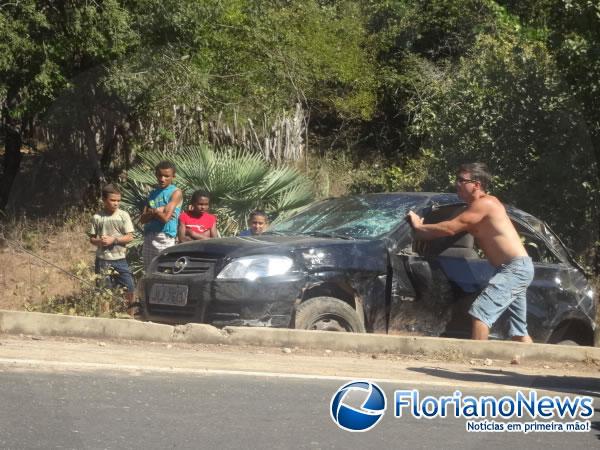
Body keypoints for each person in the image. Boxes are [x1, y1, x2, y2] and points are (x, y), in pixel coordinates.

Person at [407, 162, 533, 343]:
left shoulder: (486, 204)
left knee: (480, 313)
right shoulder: (474, 209)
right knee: (519, 330)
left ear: (477, 185)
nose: (457, 184)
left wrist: (419, 226)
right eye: (456, 180)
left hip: (514, 269)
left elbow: (449, 228)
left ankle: (475, 362)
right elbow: (450, 227)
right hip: (513, 268)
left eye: (461, 180)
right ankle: (525, 364)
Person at [88, 184, 135, 314]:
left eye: (118, 201)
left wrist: (114, 240)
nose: (116, 203)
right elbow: (92, 239)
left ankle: (129, 317)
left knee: (129, 288)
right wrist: (100, 242)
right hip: (103, 260)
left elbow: (130, 237)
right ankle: (105, 318)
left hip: (120, 259)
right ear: (104, 200)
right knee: (104, 291)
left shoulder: (123, 215)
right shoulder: (97, 217)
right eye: (112, 200)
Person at [140, 160, 183, 271]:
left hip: (165, 237)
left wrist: (153, 212)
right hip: (149, 236)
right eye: (160, 175)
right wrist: (157, 211)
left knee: (165, 271)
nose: (162, 179)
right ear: (156, 175)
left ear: (173, 176)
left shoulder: (175, 192)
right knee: (149, 272)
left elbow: (165, 218)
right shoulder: (152, 194)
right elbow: (143, 219)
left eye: (166, 176)